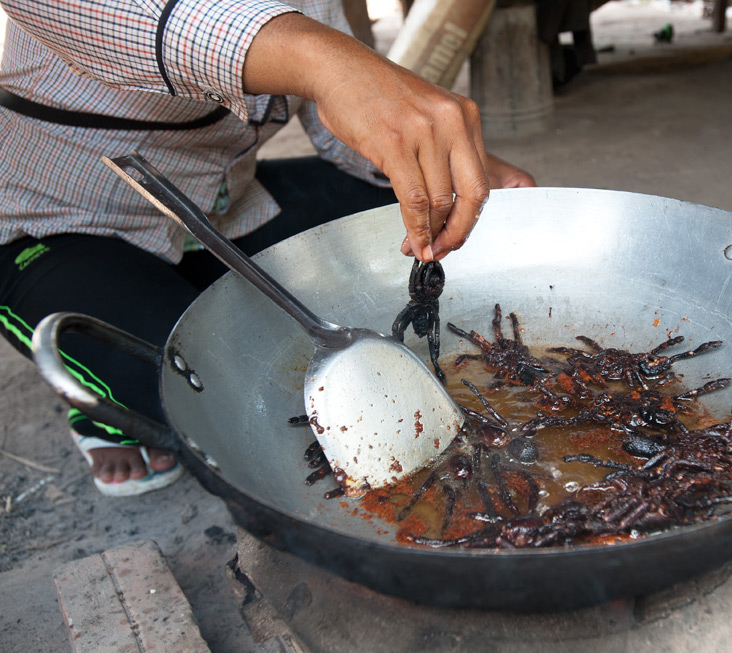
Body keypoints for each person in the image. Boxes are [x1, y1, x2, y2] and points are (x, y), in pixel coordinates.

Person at [0, 0, 535, 495]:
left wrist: (455, 166)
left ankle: (192, 297)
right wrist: (323, 61)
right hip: (52, 220)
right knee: (217, 401)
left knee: (401, 207)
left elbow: (340, 135)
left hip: (219, 205)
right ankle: (96, 405)